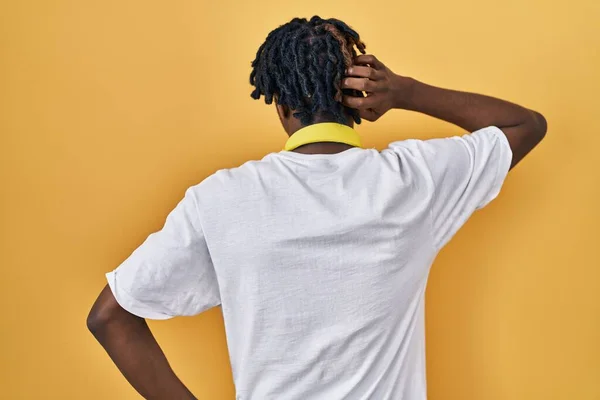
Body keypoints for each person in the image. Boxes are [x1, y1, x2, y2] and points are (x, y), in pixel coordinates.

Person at [87, 16, 547, 400]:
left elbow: (109, 316)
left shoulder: (222, 199)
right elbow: (525, 124)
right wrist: (406, 92)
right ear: (357, 93)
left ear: (280, 103)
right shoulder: (413, 180)